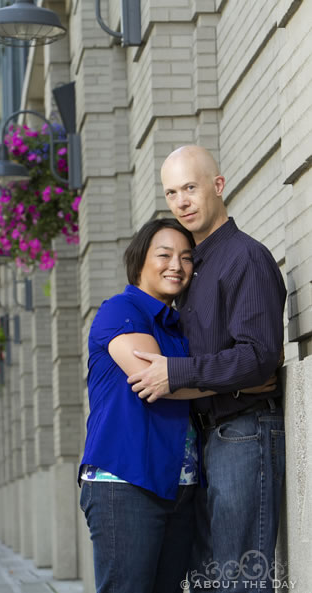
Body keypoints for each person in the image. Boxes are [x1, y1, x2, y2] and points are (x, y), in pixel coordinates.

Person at [127, 145, 286, 593]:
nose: (181, 202)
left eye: (191, 188)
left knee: (240, 576)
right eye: (172, 192)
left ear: (218, 186)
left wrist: (176, 373)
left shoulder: (244, 258)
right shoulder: (193, 267)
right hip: (208, 436)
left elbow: (257, 355)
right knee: (210, 577)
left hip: (244, 428)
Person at [79, 218, 212, 593]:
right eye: (165, 255)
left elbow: (179, 378)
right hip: (125, 482)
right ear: (139, 262)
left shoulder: (177, 324)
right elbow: (158, 382)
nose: (177, 265)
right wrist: (237, 379)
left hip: (179, 485)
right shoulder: (120, 310)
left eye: (187, 258)